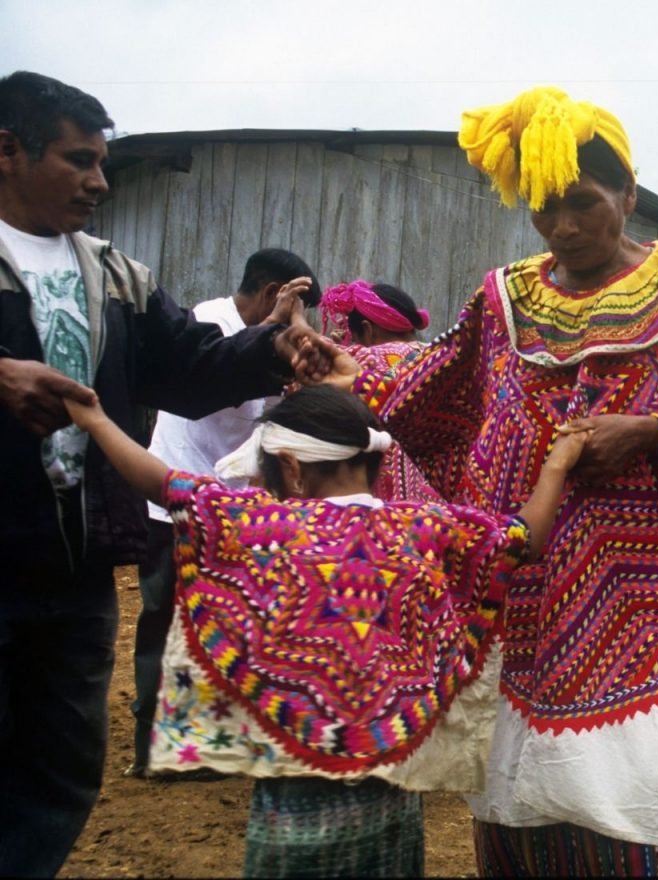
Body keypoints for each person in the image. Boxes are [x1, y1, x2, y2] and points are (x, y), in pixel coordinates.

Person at [300, 85, 658, 875]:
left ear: (628, 195)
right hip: (522, 578)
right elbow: (439, 384)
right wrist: (353, 374)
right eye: (544, 207)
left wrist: (654, 432)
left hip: (649, 592)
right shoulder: (506, 299)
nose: (563, 226)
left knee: (646, 773)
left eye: (583, 202)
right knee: (514, 778)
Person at [63, 382, 588, 878]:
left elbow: (163, 483)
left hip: (292, 805)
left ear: (291, 469)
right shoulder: (423, 528)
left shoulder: (263, 526)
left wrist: (96, 420)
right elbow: (524, 536)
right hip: (391, 791)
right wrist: (558, 464)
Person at [0, 70, 320, 876]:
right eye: (78, 161)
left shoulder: (113, 276)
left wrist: (270, 347)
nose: (99, 182)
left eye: (101, 163)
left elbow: (188, 367)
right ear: (7, 151)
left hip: (74, 566)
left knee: (60, 768)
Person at [125, 248, 322, 780]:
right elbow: (211, 388)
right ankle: (153, 749)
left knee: (222, 625)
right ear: (271, 294)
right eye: (297, 307)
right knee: (166, 622)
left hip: (231, 510)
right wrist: (271, 333)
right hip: (175, 503)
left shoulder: (273, 341)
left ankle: (206, 741)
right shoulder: (206, 323)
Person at [315, 278, 437, 502]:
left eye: (355, 338)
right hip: (440, 500)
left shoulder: (367, 359)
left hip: (389, 498)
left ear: (367, 330)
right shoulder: (436, 356)